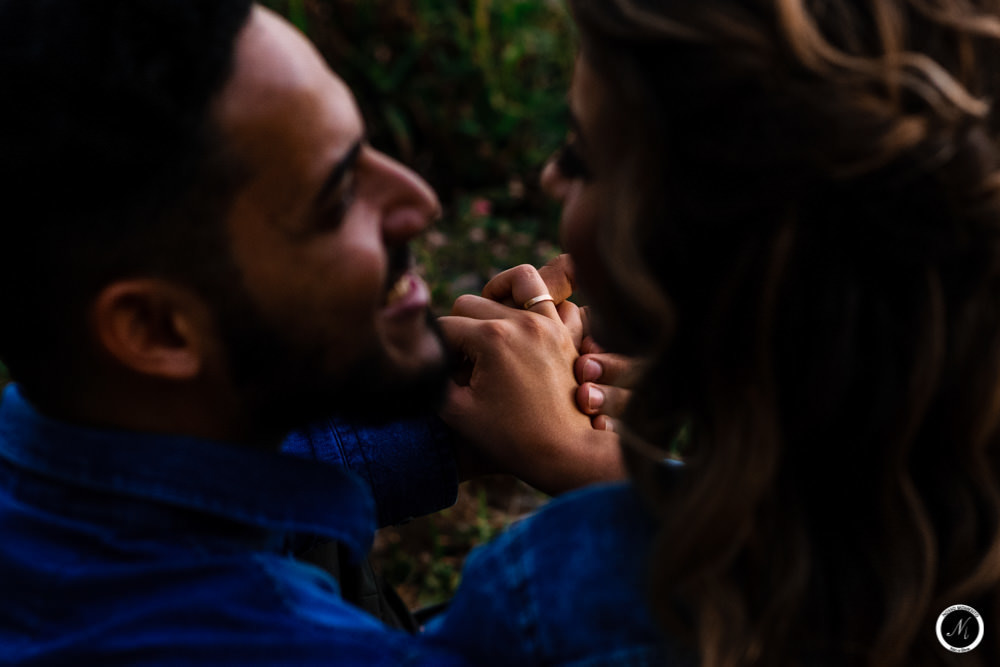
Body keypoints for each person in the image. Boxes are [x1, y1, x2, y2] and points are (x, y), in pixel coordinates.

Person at [0, 1, 623, 663]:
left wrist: (465, 426)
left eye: (368, 148)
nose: (419, 203)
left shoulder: (56, 453)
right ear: (156, 329)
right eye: (338, 195)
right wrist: (619, 487)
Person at [425, 0, 1000, 664]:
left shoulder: (554, 598)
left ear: (698, 257)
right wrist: (596, 463)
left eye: (582, 157)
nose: (550, 174)